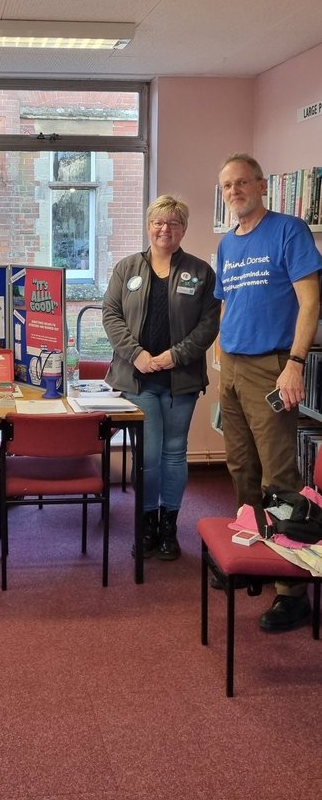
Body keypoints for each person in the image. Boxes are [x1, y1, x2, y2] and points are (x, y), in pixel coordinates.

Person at [215, 154, 322, 631]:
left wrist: (295, 364)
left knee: (279, 474)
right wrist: (220, 353)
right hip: (233, 368)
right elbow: (227, 304)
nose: (234, 191)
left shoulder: (288, 230)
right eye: (227, 186)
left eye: (242, 183)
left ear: (261, 186)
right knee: (241, 468)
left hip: (272, 367)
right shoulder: (226, 244)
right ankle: (255, 556)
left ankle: (291, 590)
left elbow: (310, 300)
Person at [102, 195, 220, 559]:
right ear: (148, 225)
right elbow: (110, 314)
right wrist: (136, 355)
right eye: (158, 222)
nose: (164, 229)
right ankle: (147, 522)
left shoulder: (201, 272)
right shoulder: (127, 268)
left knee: (174, 454)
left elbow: (208, 324)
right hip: (137, 379)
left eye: (173, 223)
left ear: (183, 228)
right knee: (149, 456)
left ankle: (170, 526)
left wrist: (175, 356)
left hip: (180, 379)